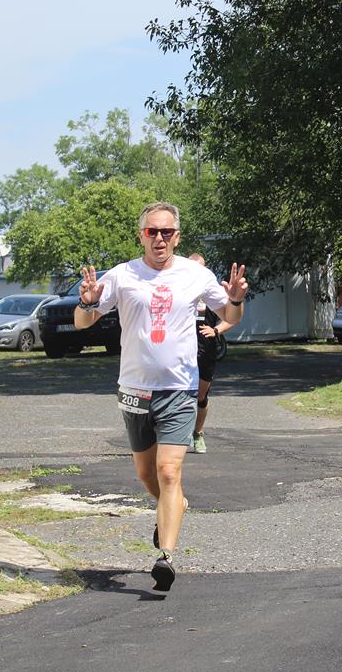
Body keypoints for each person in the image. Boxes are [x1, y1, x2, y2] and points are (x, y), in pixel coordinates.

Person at [74, 202, 246, 591]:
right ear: (142, 236)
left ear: (177, 237)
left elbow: (231, 317)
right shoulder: (122, 275)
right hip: (134, 388)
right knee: (146, 473)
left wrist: (235, 300)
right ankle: (175, 504)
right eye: (152, 231)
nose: (159, 238)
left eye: (166, 232)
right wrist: (86, 302)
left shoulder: (195, 274)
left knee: (169, 471)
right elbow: (83, 323)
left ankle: (165, 557)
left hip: (180, 388)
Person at [187, 252, 236, 454]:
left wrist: (216, 330)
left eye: (201, 268)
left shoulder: (210, 290)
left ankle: (197, 433)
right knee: (173, 392)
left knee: (201, 394)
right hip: (181, 346)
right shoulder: (178, 288)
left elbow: (232, 317)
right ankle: (169, 436)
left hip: (205, 346)